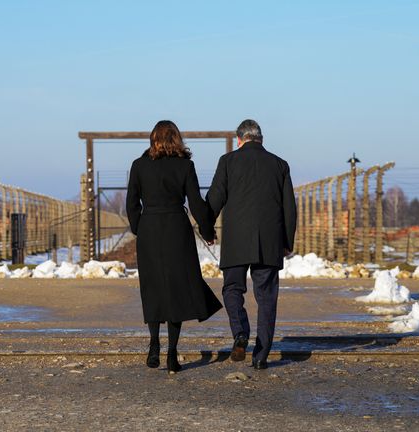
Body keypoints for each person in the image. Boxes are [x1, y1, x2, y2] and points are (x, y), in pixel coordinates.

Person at [126, 120, 222, 374]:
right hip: (177, 229)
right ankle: (172, 354)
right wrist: (207, 229)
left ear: (152, 138)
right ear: (177, 138)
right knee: (177, 289)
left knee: (153, 286)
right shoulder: (185, 165)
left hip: (150, 229)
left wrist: (139, 228)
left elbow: (131, 203)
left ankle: (154, 344)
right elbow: (196, 203)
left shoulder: (139, 165)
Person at [205, 119, 297, 370]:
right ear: (261, 139)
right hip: (269, 242)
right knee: (266, 296)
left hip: (236, 241)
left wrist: (206, 228)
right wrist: (287, 241)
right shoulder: (279, 165)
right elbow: (290, 207)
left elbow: (214, 199)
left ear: (239, 139)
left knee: (232, 289)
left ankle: (240, 333)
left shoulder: (227, 162)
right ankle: (261, 355)